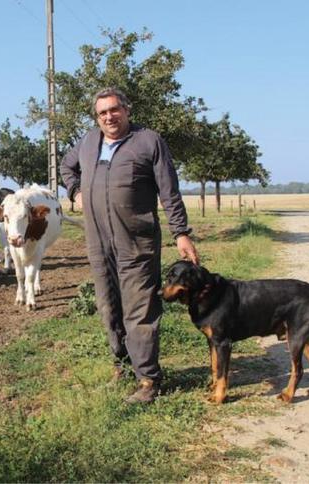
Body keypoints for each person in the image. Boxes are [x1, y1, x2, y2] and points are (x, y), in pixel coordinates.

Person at [60, 87, 199, 404]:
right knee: (109, 306)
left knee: (139, 310)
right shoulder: (88, 142)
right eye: (102, 112)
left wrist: (181, 232)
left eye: (114, 109)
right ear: (97, 117)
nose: (109, 116)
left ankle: (148, 380)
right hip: (98, 242)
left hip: (137, 241)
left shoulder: (148, 141)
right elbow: (67, 168)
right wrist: (76, 192)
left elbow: (169, 192)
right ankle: (122, 365)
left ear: (126, 109)